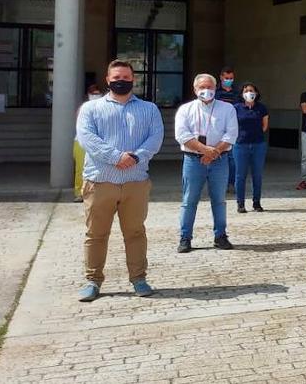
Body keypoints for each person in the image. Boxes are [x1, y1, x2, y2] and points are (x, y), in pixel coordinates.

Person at [74, 60, 164, 301]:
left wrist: (135, 157)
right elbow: (87, 139)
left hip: (135, 182)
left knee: (135, 233)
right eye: (116, 77)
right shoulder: (90, 109)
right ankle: (93, 281)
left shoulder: (149, 109)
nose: (121, 80)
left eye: (126, 76)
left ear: (133, 80)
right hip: (100, 182)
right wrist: (116, 157)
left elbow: (155, 139)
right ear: (108, 80)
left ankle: (139, 278)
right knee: (96, 234)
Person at [174, 73, 238, 253]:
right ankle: (185, 238)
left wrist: (214, 152)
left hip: (219, 160)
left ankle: (220, 236)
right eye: (202, 87)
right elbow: (182, 135)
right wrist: (205, 150)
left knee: (219, 200)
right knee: (189, 200)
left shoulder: (227, 109)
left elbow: (231, 134)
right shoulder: (185, 110)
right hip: (193, 161)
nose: (206, 90)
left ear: (215, 88)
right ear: (195, 89)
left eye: (210, 87)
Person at [233, 82, 269, 213]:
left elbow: (265, 125)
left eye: (251, 90)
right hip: (240, 144)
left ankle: (256, 202)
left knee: (257, 175)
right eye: (246, 90)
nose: (249, 93)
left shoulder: (261, 108)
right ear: (242, 94)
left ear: (256, 93)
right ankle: (240, 203)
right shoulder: (236, 108)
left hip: (258, 144)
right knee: (240, 175)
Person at [73, 83, 104, 203]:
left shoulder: (104, 107)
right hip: (81, 142)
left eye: (97, 93)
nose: (95, 96)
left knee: (100, 169)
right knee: (81, 168)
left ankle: (96, 192)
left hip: (99, 142)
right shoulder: (83, 108)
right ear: (88, 95)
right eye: (93, 93)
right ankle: (79, 193)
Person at [217, 66, 240, 192]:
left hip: (233, 127)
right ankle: (221, 183)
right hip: (219, 128)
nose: (229, 80)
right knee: (219, 156)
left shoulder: (237, 93)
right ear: (221, 77)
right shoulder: (216, 93)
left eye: (231, 78)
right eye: (226, 78)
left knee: (233, 158)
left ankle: (232, 182)